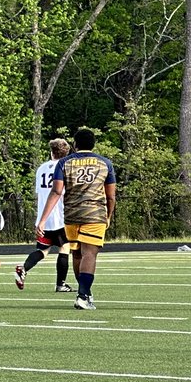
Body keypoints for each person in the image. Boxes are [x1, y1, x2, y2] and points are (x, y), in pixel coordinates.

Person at [36, 127, 116, 310]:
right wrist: (108, 216)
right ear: (93, 144)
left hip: (71, 215)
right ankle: (83, 295)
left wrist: (42, 220)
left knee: (77, 253)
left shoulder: (64, 163)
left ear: (75, 144)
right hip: (95, 214)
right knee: (90, 253)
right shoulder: (105, 163)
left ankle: (85, 292)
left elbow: (56, 191)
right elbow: (111, 196)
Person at [15, 138, 75, 293]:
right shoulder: (65, 168)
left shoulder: (41, 168)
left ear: (51, 152)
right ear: (66, 153)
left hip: (44, 217)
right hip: (60, 216)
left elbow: (40, 193)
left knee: (43, 250)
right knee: (64, 247)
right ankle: (60, 284)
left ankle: (24, 268)